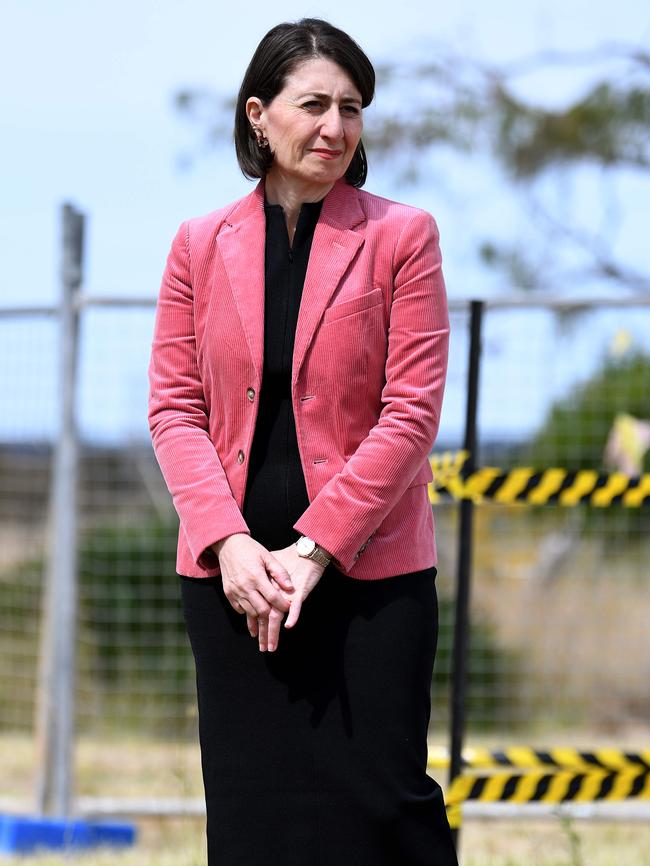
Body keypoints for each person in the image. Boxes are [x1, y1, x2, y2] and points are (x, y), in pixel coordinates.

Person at [147, 16, 457, 866]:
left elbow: (412, 412)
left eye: (352, 107)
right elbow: (174, 410)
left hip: (369, 576)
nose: (335, 127)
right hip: (233, 580)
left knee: (386, 809)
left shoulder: (403, 236)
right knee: (254, 813)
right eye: (314, 103)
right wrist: (231, 545)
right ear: (259, 113)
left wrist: (315, 550)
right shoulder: (198, 245)